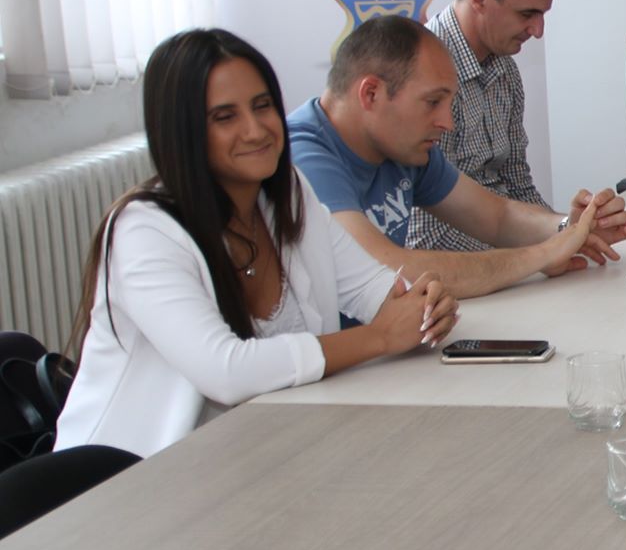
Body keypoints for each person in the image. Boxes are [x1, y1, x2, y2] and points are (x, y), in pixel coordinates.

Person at [56, 29, 460, 458]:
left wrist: (425, 305)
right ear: (183, 131)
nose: (255, 130)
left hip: (262, 450)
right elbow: (226, 372)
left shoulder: (288, 193)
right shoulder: (143, 231)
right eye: (224, 117)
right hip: (128, 476)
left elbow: (375, 289)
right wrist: (379, 337)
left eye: (262, 106)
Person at [287, 15, 626, 298]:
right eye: (432, 102)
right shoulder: (301, 157)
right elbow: (386, 269)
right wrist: (541, 255)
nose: (447, 122)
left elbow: (497, 217)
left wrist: (569, 228)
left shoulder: (400, 145)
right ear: (371, 94)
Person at [410, 0, 560, 251]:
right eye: (527, 14)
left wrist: (568, 230)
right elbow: (426, 238)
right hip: (460, 267)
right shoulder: (422, 75)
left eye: (543, 15)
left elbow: (517, 184)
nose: (538, 31)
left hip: (506, 253)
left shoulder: (506, 70)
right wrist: (535, 257)